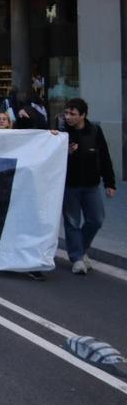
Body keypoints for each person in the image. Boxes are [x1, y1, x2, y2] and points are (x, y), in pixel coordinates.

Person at [60, 98, 117, 275]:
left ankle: (81, 249)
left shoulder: (95, 131)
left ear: (83, 115)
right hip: (70, 186)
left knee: (96, 219)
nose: (68, 117)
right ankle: (77, 258)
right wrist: (66, 153)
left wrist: (110, 183)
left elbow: (105, 158)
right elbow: (52, 160)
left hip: (91, 185)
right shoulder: (61, 134)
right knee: (72, 222)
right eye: (67, 113)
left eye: (73, 114)